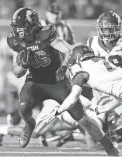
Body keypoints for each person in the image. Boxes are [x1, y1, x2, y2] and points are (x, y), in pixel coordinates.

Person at [7, 7, 75, 148]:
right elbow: (17, 72)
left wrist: (65, 66)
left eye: (22, 27)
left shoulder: (48, 32)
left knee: (78, 118)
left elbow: (70, 49)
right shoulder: (16, 41)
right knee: (27, 109)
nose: (18, 31)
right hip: (37, 80)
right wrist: (24, 64)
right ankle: (18, 124)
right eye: (17, 27)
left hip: (58, 80)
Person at [44, 45, 122, 156]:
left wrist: (58, 111)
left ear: (76, 58)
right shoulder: (101, 61)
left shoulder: (80, 68)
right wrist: (105, 108)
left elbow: (73, 98)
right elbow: (119, 92)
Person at [86, 10, 122, 146]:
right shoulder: (92, 43)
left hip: (118, 91)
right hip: (100, 93)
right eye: (104, 29)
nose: (107, 33)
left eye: (110, 29)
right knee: (91, 136)